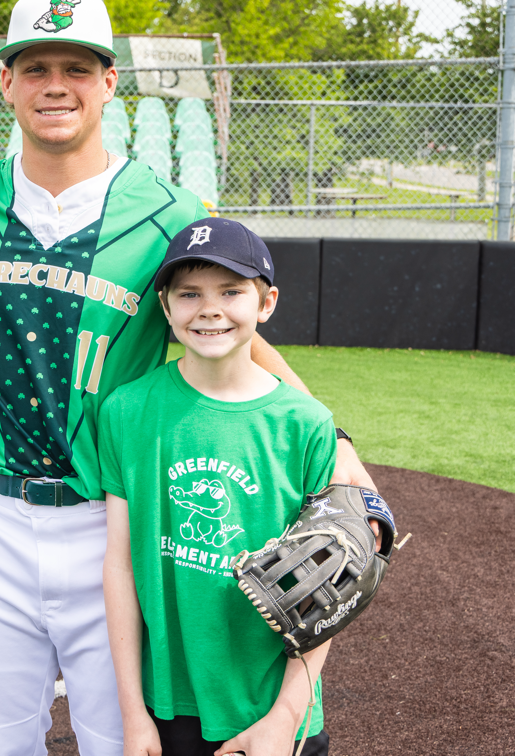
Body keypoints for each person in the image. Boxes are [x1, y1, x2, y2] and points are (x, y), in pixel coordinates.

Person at [0, 0, 378, 756]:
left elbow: (233, 337)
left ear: (108, 83)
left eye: (76, 67)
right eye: (34, 68)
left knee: (122, 737)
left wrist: (339, 444)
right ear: (6, 83)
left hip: (109, 517)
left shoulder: (169, 212)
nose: (54, 84)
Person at [101, 218, 342, 756]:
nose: (209, 309)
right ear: (165, 307)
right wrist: (133, 713)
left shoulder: (305, 424)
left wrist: (286, 716)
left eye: (231, 291)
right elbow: (119, 564)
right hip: (168, 705)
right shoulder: (127, 410)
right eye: (189, 294)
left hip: (273, 708)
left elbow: (332, 588)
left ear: (266, 302)